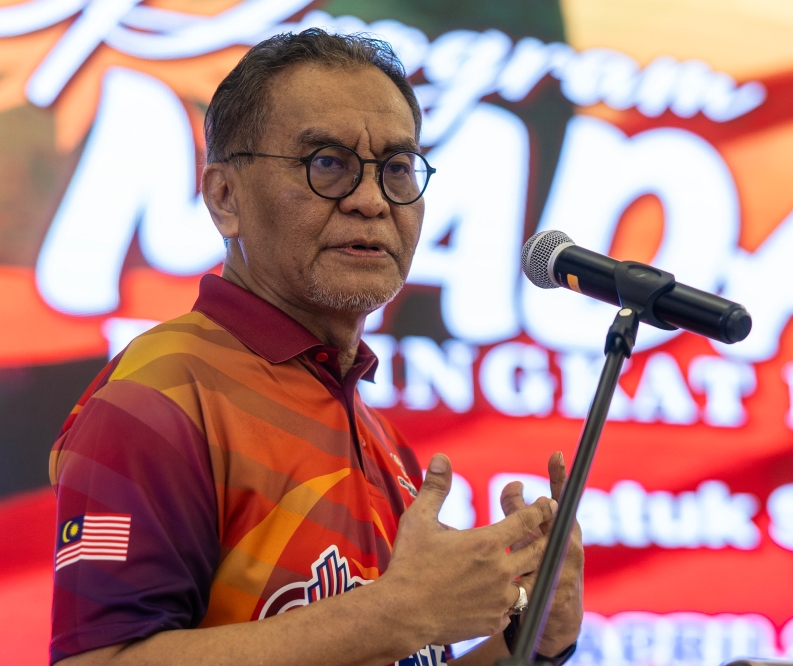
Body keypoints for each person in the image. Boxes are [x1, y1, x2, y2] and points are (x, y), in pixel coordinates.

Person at [49, 29, 584, 666]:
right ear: (224, 197)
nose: (369, 200)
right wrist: (395, 614)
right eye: (327, 163)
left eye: (396, 168)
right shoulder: (157, 400)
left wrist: (530, 639)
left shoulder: (381, 439)